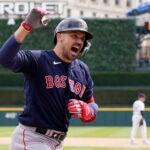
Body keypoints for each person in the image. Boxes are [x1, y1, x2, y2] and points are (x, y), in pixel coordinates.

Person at [0, 7, 98, 150]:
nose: (79, 41)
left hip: (57, 143)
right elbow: (5, 58)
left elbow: (92, 104)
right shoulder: (39, 59)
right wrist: (25, 27)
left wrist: (88, 110)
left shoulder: (82, 70)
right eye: (74, 35)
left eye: (82, 39)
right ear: (59, 36)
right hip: (33, 138)